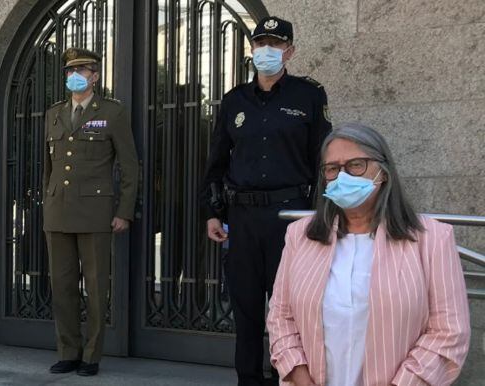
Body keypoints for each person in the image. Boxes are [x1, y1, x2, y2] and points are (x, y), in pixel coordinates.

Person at [267, 124, 471, 385]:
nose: (342, 177)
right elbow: (280, 316)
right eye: (332, 169)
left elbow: (449, 332)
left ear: (383, 172)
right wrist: (300, 375)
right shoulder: (300, 236)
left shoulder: (432, 239)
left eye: (356, 164)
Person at [199, 16, 332, 385]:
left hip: (291, 215)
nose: (266, 51)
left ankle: (287, 376)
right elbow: (217, 161)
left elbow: (322, 160)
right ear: (252, 50)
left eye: (274, 44)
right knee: (245, 305)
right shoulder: (233, 101)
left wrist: (321, 214)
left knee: (288, 305)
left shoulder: (308, 96)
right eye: (260, 44)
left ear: (289, 51)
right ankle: (248, 378)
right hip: (242, 217)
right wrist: (213, 212)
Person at [42, 47, 139, 377]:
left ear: (95, 76)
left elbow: (129, 165)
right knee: (62, 285)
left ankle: (91, 355)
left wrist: (124, 211)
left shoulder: (112, 112)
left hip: (95, 211)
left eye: (81, 70)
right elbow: (48, 167)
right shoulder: (54, 113)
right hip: (58, 211)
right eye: (70, 71)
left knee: (96, 287)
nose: (74, 76)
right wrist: (48, 201)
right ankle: (68, 351)